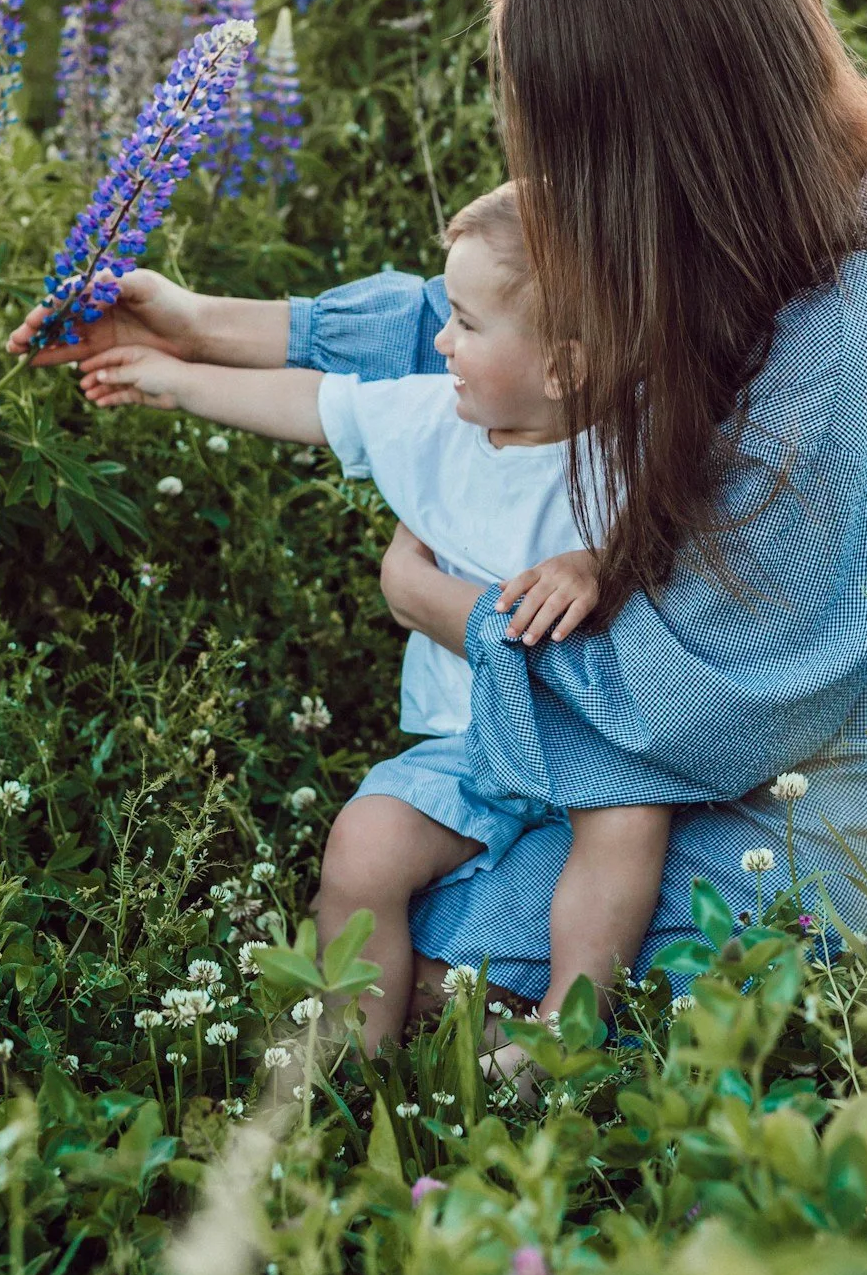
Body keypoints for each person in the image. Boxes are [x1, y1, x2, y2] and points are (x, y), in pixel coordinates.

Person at [10, 0, 867, 1023]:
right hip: (708, 698)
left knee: (454, 972)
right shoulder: (749, 209)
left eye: (550, 126)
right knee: (410, 912)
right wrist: (204, 322)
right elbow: (517, 320)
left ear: (655, 132)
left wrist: (448, 611)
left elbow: (708, 704)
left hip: (846, 753)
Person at [65, 180, 669, 1051]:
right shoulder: (434, 421)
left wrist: (598, 563)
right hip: (465, 742)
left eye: (464, 322)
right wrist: (170, 378)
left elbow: (692, 538)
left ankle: (563, 1035)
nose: (439, 339)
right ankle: (350, 1065)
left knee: (628, 829)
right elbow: (312, 404)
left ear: (563, 367)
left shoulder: (638, 448)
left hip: (591, 736)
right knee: (363, 845)